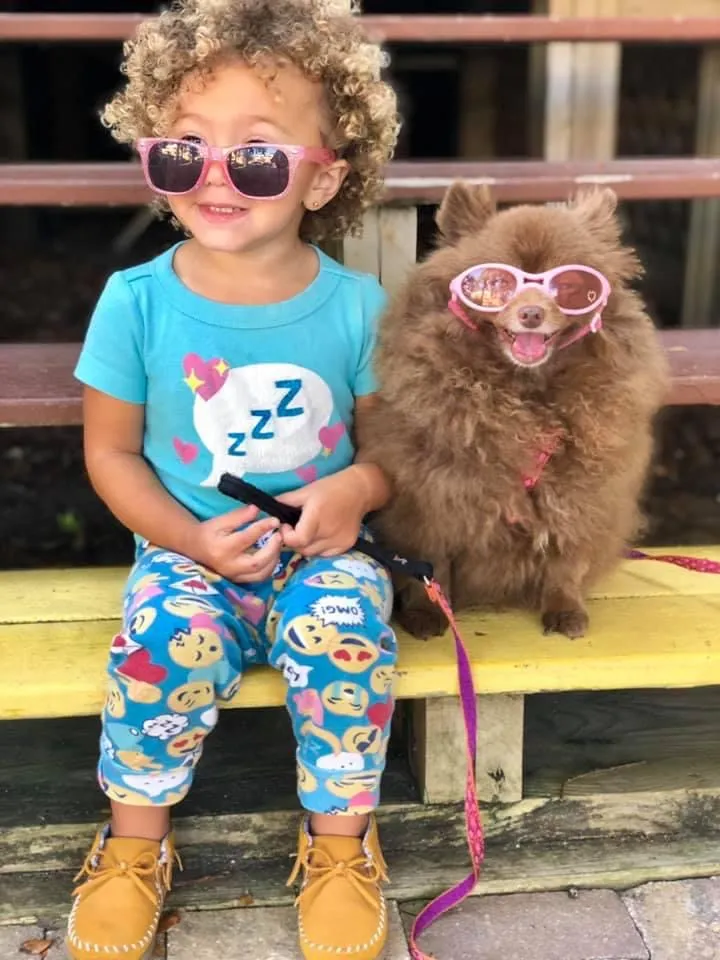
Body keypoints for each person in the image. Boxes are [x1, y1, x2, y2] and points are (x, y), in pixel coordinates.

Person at [67, 2, 400, 958]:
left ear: (325, 174)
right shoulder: (134, 302)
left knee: (346, 638)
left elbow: (387, 458)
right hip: (191, 550)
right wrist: (185, 539)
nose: (216, 177)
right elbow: (111, 455)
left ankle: (340, 847)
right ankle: (134, 847)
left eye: (256, 156)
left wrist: (355, 493)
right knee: (161, 643)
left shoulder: (357, 308)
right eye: (183, 152)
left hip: (318, 554)